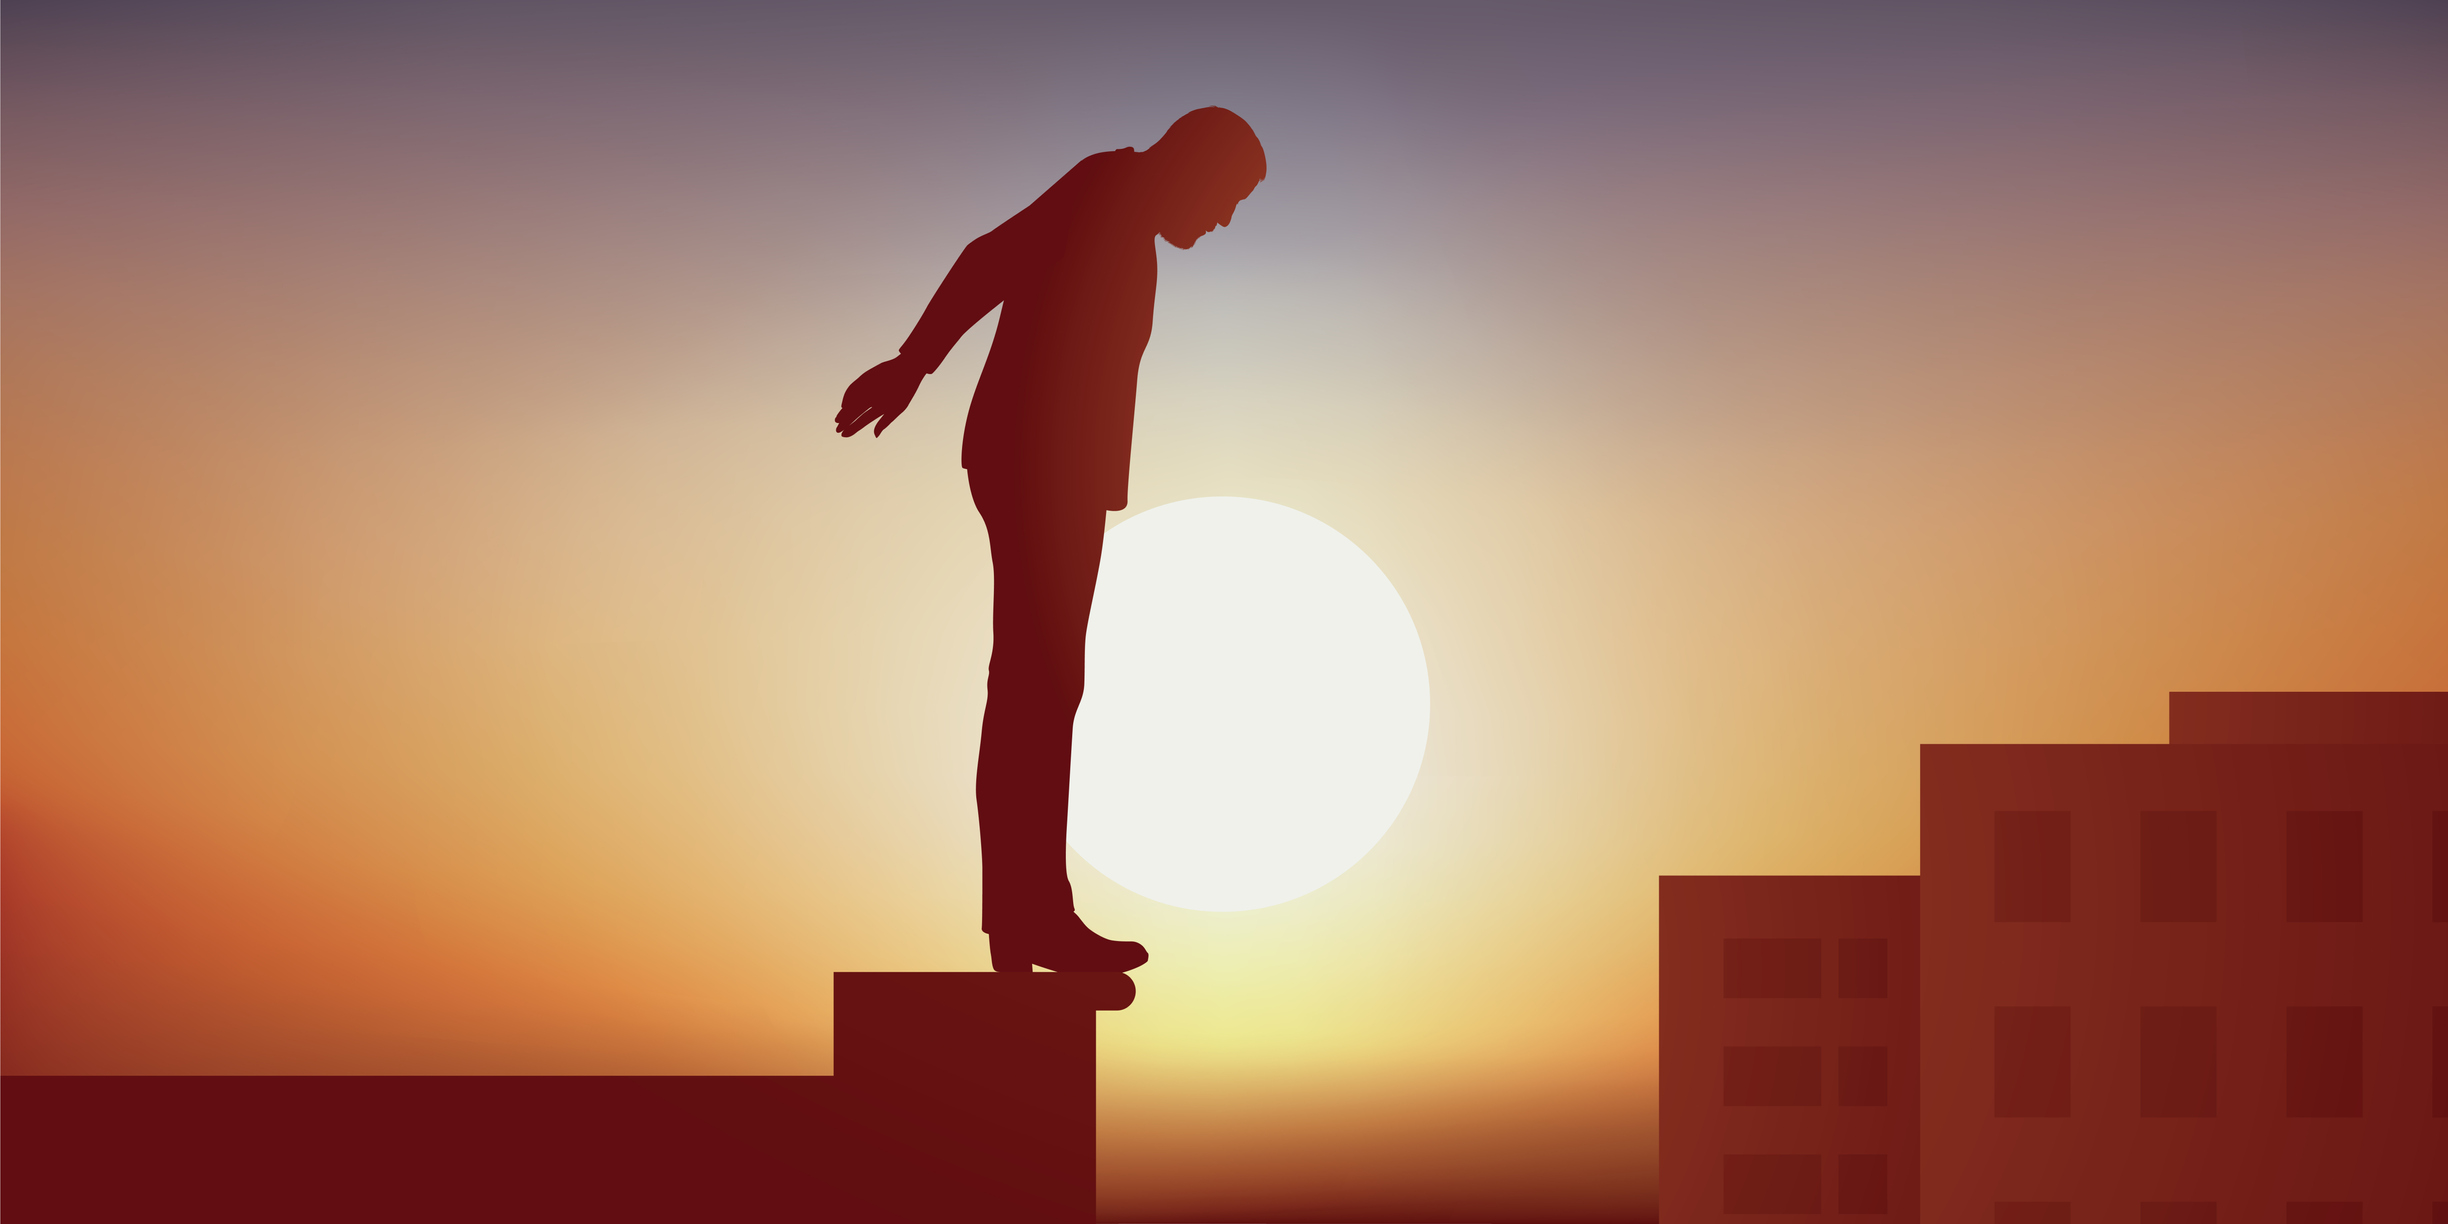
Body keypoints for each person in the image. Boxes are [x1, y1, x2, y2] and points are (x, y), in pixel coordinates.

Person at [835, 108, 1266, 972]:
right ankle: (1031, 917)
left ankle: (1026, 919)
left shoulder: (1120, 210)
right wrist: (912, 363)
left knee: (1043, 686)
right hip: (1034, 464)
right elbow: (987, 260)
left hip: (1056, 474)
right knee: (1037, 686)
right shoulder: (1104, 190)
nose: (1223, 222)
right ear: (1192, 165)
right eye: (1226, 198)